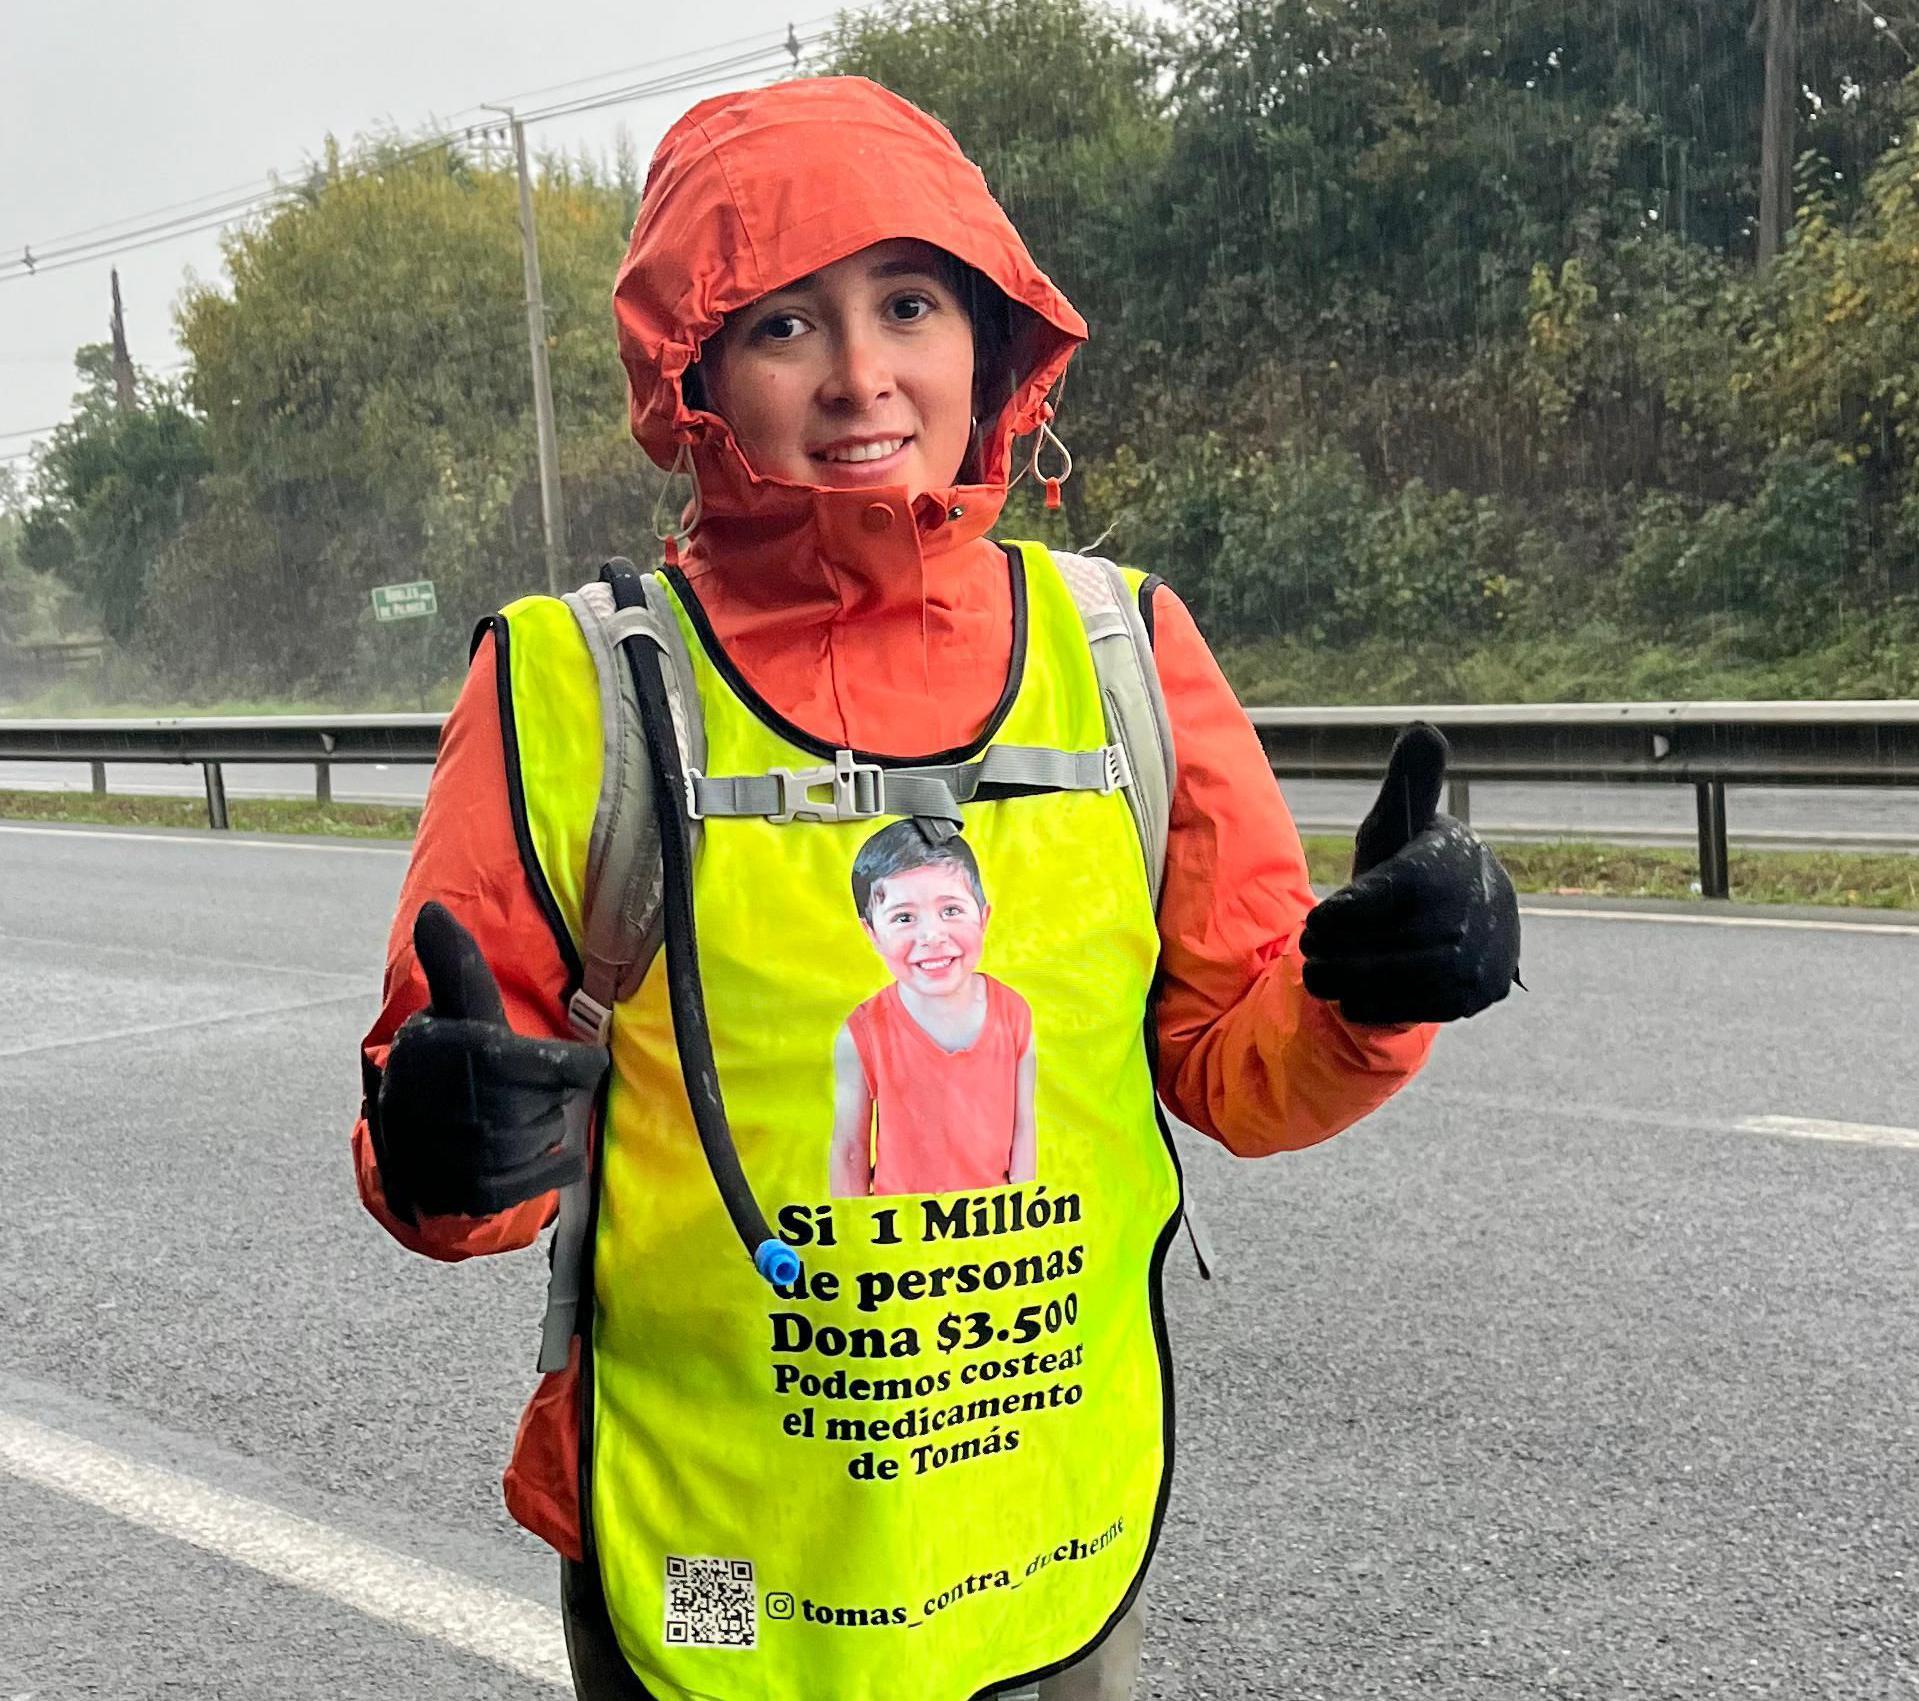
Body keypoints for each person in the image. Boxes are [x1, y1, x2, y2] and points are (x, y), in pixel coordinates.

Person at [353, 76, 1519, 1701]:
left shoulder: (1123, 653)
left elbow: (1232, 1070)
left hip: (1032, 1561)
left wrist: (1365, 998)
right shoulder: (572, 690)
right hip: (720, 1556)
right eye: (780, 322)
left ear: (984, 334)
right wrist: (438, 1145)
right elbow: (465, 1148)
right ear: (692, 367)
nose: (859, 374)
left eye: (905, 302)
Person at [831, 821, 1038, 1198]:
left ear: (984, 917)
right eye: (904, 918)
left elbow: (1024, 1126)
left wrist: (1024, 1214)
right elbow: (849, 1149)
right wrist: (854, 1239)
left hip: (996, 1227)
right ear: (872, 933)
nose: (931, 936)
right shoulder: (862, 1032)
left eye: (951, 910)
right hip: (901, 1233)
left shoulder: (1014, 1012)